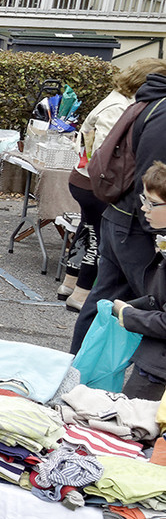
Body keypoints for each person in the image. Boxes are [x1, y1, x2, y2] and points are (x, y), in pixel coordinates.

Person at [74, 63, 166, 350]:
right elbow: (151, 175)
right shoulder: (162, 110)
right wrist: (156, 227)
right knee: (154, 306)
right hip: (136, 222)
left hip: (123, 216)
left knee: (103, 300)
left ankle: (75, 373)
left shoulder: (149, 102)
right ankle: (144, 379)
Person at [110, 161, 166, 401]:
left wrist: (128, 315)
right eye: (144, 200)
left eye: (152, 203)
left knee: (132, 429)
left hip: (158, 369)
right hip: (155, 361)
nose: (144, 208)